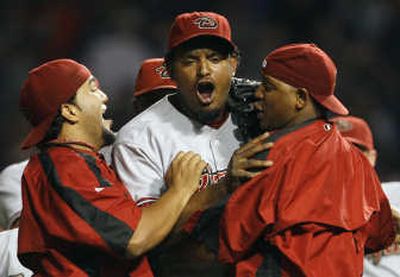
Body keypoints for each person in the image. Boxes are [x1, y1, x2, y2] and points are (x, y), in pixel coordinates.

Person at [112, 11, 271, 276]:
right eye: (190, 61)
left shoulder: (261, 111)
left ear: (233, 64)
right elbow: (146, 241)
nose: (204, 70)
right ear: (171, 69)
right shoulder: (139, 138)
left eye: (215, 58)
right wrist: (220, 188)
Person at [17, 59, 208, 276]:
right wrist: (180, 189)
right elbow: (132, 238)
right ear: (70, 111)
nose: (104, 96)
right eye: (93, 89)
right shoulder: (67, 166)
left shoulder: (78, 162)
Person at [217, 43, 395, 276]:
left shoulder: (268, 154)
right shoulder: (359, 162)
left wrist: (219, 189)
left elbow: (228, 243)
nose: (258, 93)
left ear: (300, 98)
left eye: (269, 87)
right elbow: (380, 235)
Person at [332, 115, 400, 276]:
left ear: (373, 156)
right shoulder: (313, 210)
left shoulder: (397, 193)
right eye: (339, 151)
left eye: (358, 151)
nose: (349, 158)